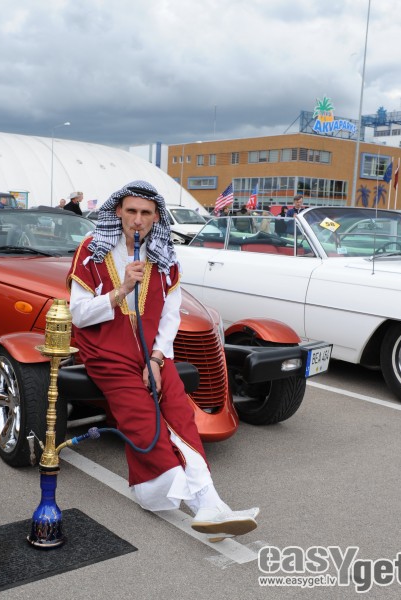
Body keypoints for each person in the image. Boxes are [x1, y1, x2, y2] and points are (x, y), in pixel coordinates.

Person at [67, 180, 259, 536]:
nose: (138, 220)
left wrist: (156, 360)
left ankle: (212, 505)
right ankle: (187, 501)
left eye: (146, 213)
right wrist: (122, 289)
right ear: (118, 212)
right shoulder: (92, 250)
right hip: (106, 352)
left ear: (156, 217)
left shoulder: (164, 255)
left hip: (152, 353)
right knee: (144, 420)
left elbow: (170, 316)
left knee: (181, 416)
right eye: (131, 211)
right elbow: (78, 314)